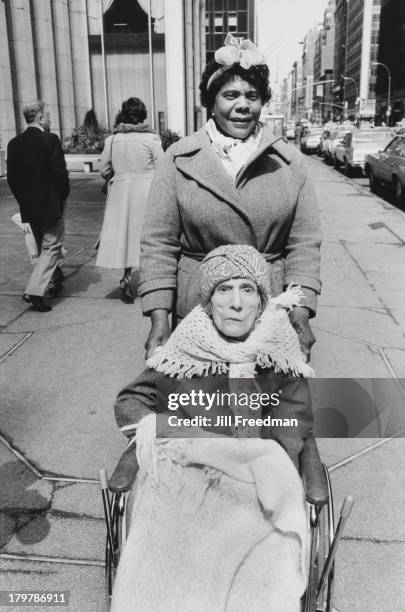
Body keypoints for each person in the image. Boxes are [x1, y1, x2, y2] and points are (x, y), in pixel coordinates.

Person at [111, 245, 313, 611]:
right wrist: (169, 430)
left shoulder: (278, 354)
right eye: (224, 290)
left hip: (255, 490)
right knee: (165, 565)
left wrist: (261, 456)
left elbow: (294, 427)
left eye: (247, 290)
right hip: (186, 483)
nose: (236, 303)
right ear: (208, 301)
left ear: (262, 301)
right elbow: (131, 401)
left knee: (262, 574)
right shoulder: (185, 349)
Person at [139, 33, 322, 361]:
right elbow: (158, 244)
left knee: (261, 405)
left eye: (252, 95)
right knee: (201, 406)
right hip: (197, 308)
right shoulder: (177, 158)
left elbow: (304, 246)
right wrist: (159, 318)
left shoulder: (290, 162)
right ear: (211, 100)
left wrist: (301, 314)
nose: (243, 105)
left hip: (269, 308)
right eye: (231, 94)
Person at [96, 97, 163, 303]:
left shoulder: (113, 140)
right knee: (147, 236)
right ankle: (148, 280)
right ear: (143, 116)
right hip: (146, 190)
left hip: (120, 191)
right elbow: (163, 168)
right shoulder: (151, 140)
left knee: (125, 235)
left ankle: (126, 276)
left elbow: (103, 169)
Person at [7, 100, 69, 312]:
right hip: (51, 205)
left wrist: (23, 200)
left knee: (44, 246)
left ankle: (54, 279)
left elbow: (12, 179)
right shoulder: (49, 140)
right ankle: (34, 291)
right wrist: (62, 196)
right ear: (40, 117)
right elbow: (59, 173)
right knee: (52, 248)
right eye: (48, 115)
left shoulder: (14, 144)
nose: (50, 119)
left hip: (29, 207)